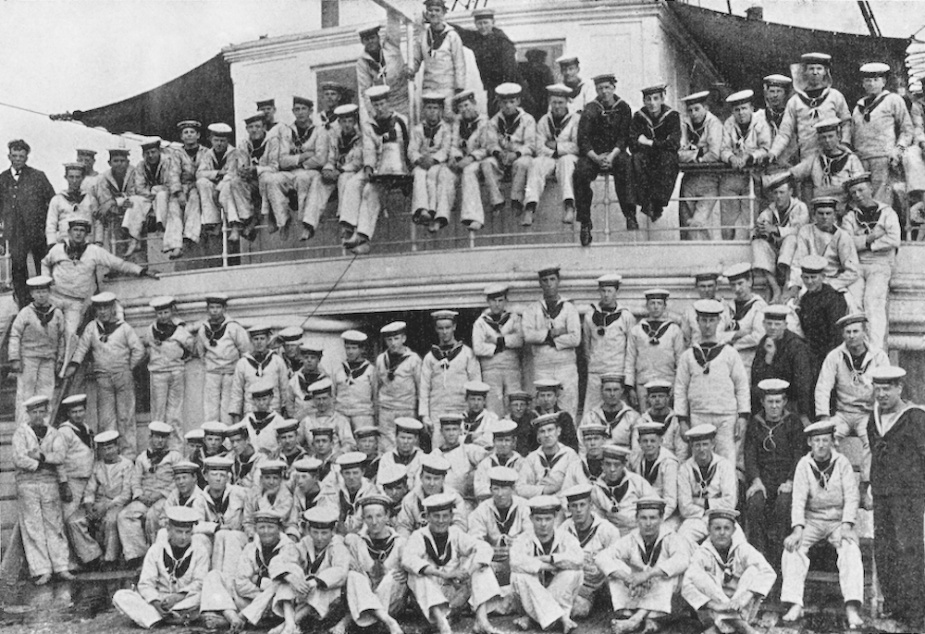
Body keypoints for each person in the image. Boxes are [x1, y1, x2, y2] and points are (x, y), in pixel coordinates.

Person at [780, 420, 864, 628]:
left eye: (825, 440)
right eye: (817, 440)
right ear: (810, 442)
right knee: (792, 549)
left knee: (851, 550)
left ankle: (852, 608)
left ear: (832, 442)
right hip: (813, 519)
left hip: (838, 520)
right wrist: (797, 529)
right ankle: (795, 604)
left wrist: (847, 524)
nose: (821, 445)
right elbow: (798, 500)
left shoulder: (842, 463)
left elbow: (852, 497)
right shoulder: (803, 465)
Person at [868, 366, 925, 629]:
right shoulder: (874, 418)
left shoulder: (914, 417)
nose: (881, 394)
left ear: (899, 388)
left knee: (909, 548)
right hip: (882, 495)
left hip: (908, 495)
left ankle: (916, 611)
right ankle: (894, 604)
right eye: (877, 389)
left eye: (887, 389)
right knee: (885, 548)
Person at [402, 492, 504, 634]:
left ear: (451, 517)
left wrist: (468, 571)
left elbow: (483, 547)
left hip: (454, 593)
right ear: (427, 517)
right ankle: (443, 625)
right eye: (436, 516)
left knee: (482, 567)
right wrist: (444, 574)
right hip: (428, 601)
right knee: (417, 576)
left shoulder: (455, 533)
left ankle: (482, 621)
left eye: (445, 516)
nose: (441, 520)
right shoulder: (418, 536)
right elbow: (408, 559)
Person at [815, 313, 889, 506]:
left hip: (868, 413)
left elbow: (886, 384)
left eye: (856, 331)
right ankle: (830, 488)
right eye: (847, 332)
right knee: (825, 440)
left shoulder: (878, 356)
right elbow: (823, 386)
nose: (851, 336)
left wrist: (880, 415)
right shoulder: (835, 356)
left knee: (871, 442)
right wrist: (824, 418)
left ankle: (864, 488)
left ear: (864, 332)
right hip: (843, 413)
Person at [41, 218, 153, 338]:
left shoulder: (94, 251)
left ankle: (67, 358)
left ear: (86, 234)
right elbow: (45, 263)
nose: (78, 233)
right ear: (69, 232)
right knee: (48, 331)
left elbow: (118, 263)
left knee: (71, 334)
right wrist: (46, 280)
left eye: (82, 230)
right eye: (75, 230)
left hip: (75, 303)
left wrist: (140, 271)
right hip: (55, 298)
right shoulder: (57, 249)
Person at [66, 291, 145, 455]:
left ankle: (129, 455)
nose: (102, 312)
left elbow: (139, 350)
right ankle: (109, 454)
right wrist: (74, 364)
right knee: (106, 419)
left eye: (106, 308)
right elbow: (82, 348)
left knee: (126, 416)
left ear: (112, 308)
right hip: (103, 378)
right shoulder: (92, 328)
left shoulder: (124, 328)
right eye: (99, 308)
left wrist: (128, 367)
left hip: (123, 376)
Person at [596, 496, 690, 634]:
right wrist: (628, 578)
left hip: (665, 592)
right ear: (636, 519)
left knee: (668, 575)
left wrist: (648, 575)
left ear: (662, 519)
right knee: (615, 568)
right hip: (641, 590)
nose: (648, 523)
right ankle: (641, 618)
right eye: (643, 518)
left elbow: (682, 560)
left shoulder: (672, 537)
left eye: (653, 518)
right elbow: (601, 557)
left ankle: (635, 619)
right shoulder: (631, 538)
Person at [674, 299, 750, 466]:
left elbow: (742, 386)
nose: (707, 325)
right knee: (701, 461)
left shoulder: (730, 354)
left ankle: (730, 493)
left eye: (711, 320)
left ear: (718, 322)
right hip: (699, 415)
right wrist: (682, 420)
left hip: (726, 417)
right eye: (703, 320)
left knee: (727, 462)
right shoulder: (688, 356)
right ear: (697, 322)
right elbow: (680, 388)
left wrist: (742, 417)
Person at [199, 509, 299, 632]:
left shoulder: (289, 548)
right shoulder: (251, 548)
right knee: (214, 575)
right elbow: (241, 583)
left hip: (276, 604)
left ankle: (236, 618)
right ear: (256, 529)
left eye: (270, 527)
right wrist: (259, 591)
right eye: (262, 527)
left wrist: (257, 580)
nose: (266, 532)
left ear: (279, 529)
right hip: (253, 600)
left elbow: (284, 583)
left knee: (280, 585)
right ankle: (234, 618)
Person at [112, 507, 211, 628]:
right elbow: (146, 583)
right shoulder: (156, 550)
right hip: (160, 599)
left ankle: (160, 618)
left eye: (188, 532)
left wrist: (178, 596)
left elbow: (199, 582)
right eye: (179, 532)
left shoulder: (200, 551)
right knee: (121, 596)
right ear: (169, 530)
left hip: (185, 599)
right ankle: (163, 617)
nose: (184, 537)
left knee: (204, 596)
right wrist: (156, 602)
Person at [681, 508, 776, 634]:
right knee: (698, 575)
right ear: (709, 530)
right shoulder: (702, 553)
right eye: (717, 528)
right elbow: (686, 585)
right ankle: (745, 629)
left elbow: (768, 572)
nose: (722, 533)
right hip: (712, 613)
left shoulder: (743, 548)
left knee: (754, 569)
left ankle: (722, 628)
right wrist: (716, 605)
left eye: (726, 528)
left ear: (733, 530)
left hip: (743, 609)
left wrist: (743, 598)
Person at [743, 379, 805, 570]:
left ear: (785, 401)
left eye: (778, 401)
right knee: (755, 503)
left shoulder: (793, 422)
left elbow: (799, 454)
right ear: (763, 402)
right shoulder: (755, 423)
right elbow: (750, 454)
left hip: (786, 480)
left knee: (784, 504)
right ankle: (759, 561)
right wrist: (756, 480)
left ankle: (780, 562)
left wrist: (790, 481)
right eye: (770, 402)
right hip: (763, 480)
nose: (774, 406)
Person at [13, 395, 73, 585]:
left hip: (49, 483)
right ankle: (42, 569)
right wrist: (44, 463)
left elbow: (60, 456)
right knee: (33, 526)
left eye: (41, 411)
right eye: (34, 412)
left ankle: (61, 566)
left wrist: (40, 456)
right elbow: (19, 459)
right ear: (28, 413)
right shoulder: (21, 433)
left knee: (54, 524)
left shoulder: (54, 433)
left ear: (46, 412)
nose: (38, 416)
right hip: (28, 484)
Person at [842, 172, 901, 350]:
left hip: (880, 265)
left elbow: (893, 240)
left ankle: (875, 350)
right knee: (853, 303)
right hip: (857, 266)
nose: (858, 195)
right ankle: (858, 348)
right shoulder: (850, 217)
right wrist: (871, 238)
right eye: (853, 193)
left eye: (861, 190)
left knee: (872, 303)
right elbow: (847, 243)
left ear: (871, 189)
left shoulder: (887, 212)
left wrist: (865, 244)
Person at [574, 73, 636, 241]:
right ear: (596, 90)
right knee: (580, 172)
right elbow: (583, 139)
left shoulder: (623, 107)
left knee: (626, 163)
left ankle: (630, 213)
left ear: (614, 88)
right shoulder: (590, 108)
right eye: (600, 88)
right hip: (595, 155)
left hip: (616, 153)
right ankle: (585, 222)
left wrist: (612, 156)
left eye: (607, 87)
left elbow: (624, 137)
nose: (604, 92)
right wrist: (596, 157)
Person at [349, 85, 410, 255]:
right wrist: (369, 166)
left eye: (382, 103)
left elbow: (408, 142)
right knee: (369, 189)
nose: (379, 107)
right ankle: (362, 236)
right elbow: (369, 149)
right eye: (376, 105)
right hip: (381, 170)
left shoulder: (401, 120)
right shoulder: (369, 125)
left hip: (402, 169)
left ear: (388, 102)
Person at [509, 496, 584, 634]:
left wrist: (551, 558)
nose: (543, 524)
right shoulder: (523, 538)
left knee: (574, 572)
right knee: (519, 575)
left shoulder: (565, 537)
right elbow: (515, 561)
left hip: (556, 590)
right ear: (531, 519)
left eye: (547, 519)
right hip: (531, 593)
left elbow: (579, 559)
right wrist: (546, 566)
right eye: (538, 519)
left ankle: (534, 618)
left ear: (555, 517)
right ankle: (561, 618)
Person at [767, 52, 851, 166]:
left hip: (834, 157)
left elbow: (846, 122)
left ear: (825, 71)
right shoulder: (795, 101)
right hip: (807, 156)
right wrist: (773, 152)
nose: (815, 72)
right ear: (805, 72)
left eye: (819, 68)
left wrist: (845, 143)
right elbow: (784, 132)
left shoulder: (835, 96)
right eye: (811, 69)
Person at [117, 421, 183, 566]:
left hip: (164, 497)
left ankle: (158, 555)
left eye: (163, 438)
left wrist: (161, 494)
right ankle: (138, 555)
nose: (160, 441)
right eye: (157, 437)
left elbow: (178, 480)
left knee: (153, 516)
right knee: (124, 516)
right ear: (150, 437)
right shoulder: (142, 457)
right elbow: (135, 480)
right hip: (145, 498)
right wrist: (140, 495)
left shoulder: (174, 457)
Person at [0, 139, 56, 307]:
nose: (18, 159)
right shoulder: (2, 179)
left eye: (21, 156)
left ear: (27, 157)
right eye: (15, 155)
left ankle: (45, 302)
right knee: (18, 268)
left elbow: (52, 201)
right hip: (15, 233)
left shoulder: (37, 176)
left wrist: (48, 227)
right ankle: (23, 304)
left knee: (42, 266)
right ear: (9, 156)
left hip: (37, 230)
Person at [850, 62, 914, 206]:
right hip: (861, 160)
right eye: (868, 80)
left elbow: (907, 130)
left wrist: (899, 149)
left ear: (883, 82)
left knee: (882, 201)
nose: (871, 84)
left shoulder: (893, 100)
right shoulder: (859, 106)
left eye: (876, 80)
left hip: (884, 159)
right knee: (862, 200)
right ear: (863, 83)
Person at [342, 495, 407, 634]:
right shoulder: (356, 541)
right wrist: (350, 563)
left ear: (387, 516)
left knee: (393, 575)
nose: (374, 522)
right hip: (366, 595)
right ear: (364, 519)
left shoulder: (401, 542)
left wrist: (406, 573)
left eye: (379, 516)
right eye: (369, 517)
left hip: (391, 601)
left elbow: (414, 566)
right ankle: (388, 621)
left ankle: (353, 621)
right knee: (354, 575)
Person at [522, 266, 581, 419]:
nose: (549, 284)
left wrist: (545, 339)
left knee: (567, 405)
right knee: (543, 405)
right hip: (543, 365)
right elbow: (528, 336)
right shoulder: (533, 309)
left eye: (552, 279)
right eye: (545, 280)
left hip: (565, 365)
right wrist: (552, 333)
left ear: (558, 281)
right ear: (540, 283)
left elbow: (575, 338)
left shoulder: (569, 308)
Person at [419, 309, 480, 449]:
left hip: (461, 408)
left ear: (454, 327)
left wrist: (473, 411)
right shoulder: (430, 357)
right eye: (440, 328)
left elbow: (476, 384)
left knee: (462, 447)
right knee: (438, 448)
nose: (444, 332)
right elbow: (424, 387)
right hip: (437, 410)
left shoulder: (466, 353)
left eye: (447, 327)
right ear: (436, 329)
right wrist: (424, 416)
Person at [559, 483, 621, 618]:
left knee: (579, 609)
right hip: (575, 584)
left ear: (591, 505)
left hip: (600, 584)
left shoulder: (608, 530)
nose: (578, 510)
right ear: (569, 508)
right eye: (574, 506)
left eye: (582, 505)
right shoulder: (564, 529)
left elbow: (615, 564)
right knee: (575, 609)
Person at [8, 275, 65, 422]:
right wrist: (15, 358)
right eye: (37, 292)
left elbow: (62, 339)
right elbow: (15, 335)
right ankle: (24, 429)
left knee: (46, 393)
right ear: (32, 294)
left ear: (49, 292)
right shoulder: (25, 313)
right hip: (29, 359)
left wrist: (60, 359)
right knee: (26, 394)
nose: (41, 295)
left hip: (48, 359)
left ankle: (44, 427)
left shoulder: (57, 314)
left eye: (44, 291)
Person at [524, 84, 580, 226]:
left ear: (567, 102)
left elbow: (577, 146)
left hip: (569, 159)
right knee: (536, 163)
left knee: (565, 162)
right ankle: (530, 208)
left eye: (560, 102)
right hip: (549, 159)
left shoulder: (575, 120)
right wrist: (552, 152)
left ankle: (569, 206)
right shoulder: (544, 121)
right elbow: (539, 147)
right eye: (554, 102)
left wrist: (557, 148)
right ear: (550, 102)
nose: (557, 106)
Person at [719, 90, 772, 240]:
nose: (741, 113)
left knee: (750, 217)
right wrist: (731, 158)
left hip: (752, 176)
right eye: (737, 109)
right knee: (727, 219)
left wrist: (750, 156)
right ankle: (727, 250)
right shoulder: (729, 124)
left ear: (751, 108)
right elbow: (723, 149)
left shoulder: (760, 123)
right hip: (731, 178)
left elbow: (766, 148)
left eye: (744, 108)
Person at [56, 393, 101, 568]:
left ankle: (89, 557)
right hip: (72, 480)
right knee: (68, 519)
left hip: (88, 480)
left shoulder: (86, 428)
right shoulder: (64, 431)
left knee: (84, 518)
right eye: (74, 412)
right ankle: (71, 560)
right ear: (68, 413)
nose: (78, 415)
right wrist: (63, 483)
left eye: (81, 411)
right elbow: (59, 459)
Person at [787, 195, 860, 301]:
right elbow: (798, 262)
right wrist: (795, 285)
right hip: (809, 281)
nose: (824, 217)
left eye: (828, 213)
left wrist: (832, 286)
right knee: (794, 303)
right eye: (820, 213)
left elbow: (853, 270)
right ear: (814, 215)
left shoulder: (843, 236)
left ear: (834, 215)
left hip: (833, 281)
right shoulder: (806, 231)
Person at [469, 465, 531, 587]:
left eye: (504, 488)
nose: (500, 494)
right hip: (492, 559)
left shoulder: (525, 507)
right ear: (490, 489)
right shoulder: (481, 510)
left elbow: (531, 535)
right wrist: (489, 550)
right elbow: (474, 539)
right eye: (496, 489)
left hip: (518, 559)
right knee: (479, 569)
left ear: (512, 489)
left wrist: (514, 547)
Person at [194, 292, 251, 425]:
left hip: (231, 373)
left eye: (218, 307)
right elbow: (200, 351)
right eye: (212, 307)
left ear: (224, 309)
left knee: (228, 408)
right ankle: (211, 437)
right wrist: (210, 365)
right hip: (212, 373)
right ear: (207, 310)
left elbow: (244, 349)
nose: (214, 311)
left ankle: (228, 441)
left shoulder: (233, 327)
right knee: (211, 408)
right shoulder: (203, 329)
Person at [751, 172, 810, 302]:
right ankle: (775, 288)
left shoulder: (800, 207)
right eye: (775, 193)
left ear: (790, 191)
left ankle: (786, 287)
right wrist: (761, 232)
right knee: (757, 243)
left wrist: (776, 230)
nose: (778, 197)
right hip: (776, 252)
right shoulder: (768, 211)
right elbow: (756, 231)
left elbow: (801, 230)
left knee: (791, 239)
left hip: (795, 253)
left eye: (782, 192)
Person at [749, 306, 814, 422]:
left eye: (777, 324)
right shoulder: (764, 343)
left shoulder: (796, 346)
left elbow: (803, 383)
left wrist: (803, 414)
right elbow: (756, 379)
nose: (773, 328)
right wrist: (769, 357)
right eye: (769, 323)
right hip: (768, 402)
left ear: (785, 325)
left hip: (791, 402)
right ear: (763, 324)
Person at [676, 424, 738, 546]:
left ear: (712, 445)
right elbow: (684, 506)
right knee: (683, 537)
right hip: (696, 518)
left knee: (739, 541)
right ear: (692, 447)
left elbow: (730, 502)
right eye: (697, 445)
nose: (701, 449)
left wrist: (704, 503)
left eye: (705, 444)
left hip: (723, 517)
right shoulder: (685, 469)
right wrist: (706, 511)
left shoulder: (724, 465)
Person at [582, 273, 636, 414]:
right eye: (603, 291)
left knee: (617, 412)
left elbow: (631, 350)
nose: (606, 295)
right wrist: (593, 365)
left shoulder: (625, 316)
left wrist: (628, 379)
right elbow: (586, 346)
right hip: (596, 373)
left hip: (616, 373)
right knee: (592, 411)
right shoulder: (590, 315)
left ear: (616, 292)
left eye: (610, 291)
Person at [79, 430, 132, 568]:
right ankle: (92, 557)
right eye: (104, 449)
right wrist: (89, 506)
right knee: (75, 522)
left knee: (111, 520)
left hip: (117, 504)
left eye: (110, 448)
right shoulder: (98, 466)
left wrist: (107, 506)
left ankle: (110, 559)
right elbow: (90, 489)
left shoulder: (127, 465)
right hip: (99, 503)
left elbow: (126, 494)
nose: (108, 452)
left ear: (117, 447)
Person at [482, 83, 536, 221]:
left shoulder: (527, 120)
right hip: (502, 157)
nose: (508, 106)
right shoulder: (494, 121)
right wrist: (498, 153)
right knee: (487, 163)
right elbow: (491, 143)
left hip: (519, 155)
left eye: (512, 102)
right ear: (499, 103)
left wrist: (516, 154)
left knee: (523, 163)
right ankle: (497, 201)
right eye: (504, 102)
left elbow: (531, 145)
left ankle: (516, 200)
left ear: (518, 101)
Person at [624, 288, 684, 410]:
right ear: (647, 305)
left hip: (667, 382)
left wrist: (677, 387)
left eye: (659, 303)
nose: (656, 307)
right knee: (646, 420)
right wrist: (630, 387)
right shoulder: (637, 330)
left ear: (665, 306)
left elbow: (680, 361)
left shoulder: (674, 330)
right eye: (652, 303)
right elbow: (630, 359)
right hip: (643, 383)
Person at [789, 118, 865, 214]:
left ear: (838, 136)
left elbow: (859, 186)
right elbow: (794, 173)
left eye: (830, 136)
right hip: (821, 210)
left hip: (844, 209)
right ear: (819, 140)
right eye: (823, 137)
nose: (827, 140)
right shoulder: (814, 159)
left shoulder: (851, 159)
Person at [143, 295, 194, 436]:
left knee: (175, 412)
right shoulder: (151, 330)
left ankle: (176, 446)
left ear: (171, 312)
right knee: (158, 411)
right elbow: (146, 346)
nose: (163, 316)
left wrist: (182, 356)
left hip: (176, 372)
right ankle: (158, 443)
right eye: (160, 313)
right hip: (158, 373)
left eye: (166, 312)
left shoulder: (179, 329)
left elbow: (190, 344)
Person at [125, 137, 185, 258]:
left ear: (159, 151)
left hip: (168, 196)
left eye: (153, 152)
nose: (150, 155)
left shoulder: (168, 162)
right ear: (143, 154)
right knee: (134, 200)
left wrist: (157, 190)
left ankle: (162, 228)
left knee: (166, 200)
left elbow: (171, 182)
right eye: (147, 153)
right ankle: (134, 238)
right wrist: (152, 193)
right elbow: (139, 187)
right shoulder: (141, 166)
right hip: (151, 197)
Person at [790, 254, 850, 375]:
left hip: (830, 354)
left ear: (822, 277)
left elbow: (837, 334)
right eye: (806, 278)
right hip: (811, 354)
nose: (809, 281)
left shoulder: (833, 298)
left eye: (813, 277)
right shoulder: (805, 299)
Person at [630, 83, 681, 224]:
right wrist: (661, 144)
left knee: (669, 158)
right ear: (644, 101)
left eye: (656, 98)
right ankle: (646, 202)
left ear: (662, 99)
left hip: (663, 157)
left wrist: (649, 143)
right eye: (648, 99)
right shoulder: (639, 117)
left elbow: (674, 144)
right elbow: (633, 144)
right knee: (637, 158)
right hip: (646, 156)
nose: (652, 103)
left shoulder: (672, 116)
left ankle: (658, 203)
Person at [471, 284, 523, 417]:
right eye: (493, 301)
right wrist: (502, 345)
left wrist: (498, 340)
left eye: (500, 300)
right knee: (493, 404)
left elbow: (520, 340)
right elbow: (478, 348)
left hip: (511, 368)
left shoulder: (514, 318)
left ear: (505, 301)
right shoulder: (480, 323)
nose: (497, 304)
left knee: (513, 402)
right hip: (491, 368)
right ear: (488, 302)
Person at [456, 8, 519, 115]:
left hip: (504, 85)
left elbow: (509, 69)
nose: (483, 26)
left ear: (493, 23)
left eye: (486, 23)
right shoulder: (476, 38)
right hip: (488, 87)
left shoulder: (502, 41)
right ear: (475, 24)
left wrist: (504, 91)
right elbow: (460, 31)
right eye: (479, 23)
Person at [678, 90, 723, 241]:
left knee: (698, 222)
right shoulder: (685, 124)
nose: (693, 113)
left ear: (706, 108)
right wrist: (700, 154)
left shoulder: (714, 123)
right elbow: (679, 153)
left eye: (697, 109)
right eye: (690, 110)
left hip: (709, 179)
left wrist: (692, 155)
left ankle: (704, 257)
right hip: (689, 179)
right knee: (686, 224)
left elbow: (714, 153)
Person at [408, 92, 454, 233]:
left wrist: (434, 159)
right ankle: (422, 209)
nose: (432, 112)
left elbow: (446, 148)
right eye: (429, 108)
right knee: (419, 174)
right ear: (424, 110)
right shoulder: (417, 130)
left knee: (436, 175)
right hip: (422, 163)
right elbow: (412, 150)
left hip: (439, 163)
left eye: (435, 108)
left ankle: (437, 214)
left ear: (440, 110)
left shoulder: (446, 129)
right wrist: (420, 159)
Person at [324, 104, 368, 245]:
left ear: (354, 122)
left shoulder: (360, 138)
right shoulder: (335, 137)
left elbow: (358, 162)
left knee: (345, 180)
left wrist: (341, 170)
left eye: (350, 121)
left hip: (354, 171)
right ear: (340, 123)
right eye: (344, 122)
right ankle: (346, 221)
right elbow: (331, 157)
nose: (347, 125)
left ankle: (345, 222)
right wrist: (329, 168)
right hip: (339, 172)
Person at [448, 89, 491, 231]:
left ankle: (474, 217)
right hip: (462, 161)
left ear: (474, 104)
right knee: (445, 174)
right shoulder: (458, 124)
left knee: (468, 171)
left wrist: (470, 158)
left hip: (479, 161)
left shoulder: (484, 122)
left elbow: (486, 148)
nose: (464, 110)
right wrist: (457, 158)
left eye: (466, 105)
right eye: (460, 107)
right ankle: (444, 214)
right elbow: (454, 144)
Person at [412, 0, 466, 112]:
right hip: (428, 89)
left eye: (437, 10)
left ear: (443, 13)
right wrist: (410, 69)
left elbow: (459, 64)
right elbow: (415, 60)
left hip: (447, 89)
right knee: (429, 121)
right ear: (426, 14)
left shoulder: (452, 36)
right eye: (430, 10)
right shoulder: (422, 36)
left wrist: (459, 89)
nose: (433, 13)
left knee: (449, 119)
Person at [395, 453, 467, 537]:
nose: (431, 483)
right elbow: (403, 527)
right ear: (421, 477)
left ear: (443, 479)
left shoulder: (454, 498)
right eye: (428, 478)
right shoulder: (410, 499)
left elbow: (460, 525)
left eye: (436, 479)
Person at [375, 322, 421, 452]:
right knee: (386, 445)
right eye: (389, 339)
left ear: (403, 339)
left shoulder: (413, 359)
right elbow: (377, 386)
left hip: (405, 408)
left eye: (396, 339)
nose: (393, 343)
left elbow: (420, 387)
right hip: (386, 410)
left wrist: (419, 411)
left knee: (408, 444)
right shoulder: (381, 359)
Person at [195, 123, 246, 239]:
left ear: (227, 140)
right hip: (216, 186)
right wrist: (217, 173)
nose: (219, 144)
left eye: (222, 141)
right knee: (202, 182)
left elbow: (233, 174)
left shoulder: (235, 153)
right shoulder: (207, 155)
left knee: (227, 188)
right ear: (211, 140)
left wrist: (218, 188)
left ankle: (234, 225)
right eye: (216, 140)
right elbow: (199, 173)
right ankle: (214, 222)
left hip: (229, 186)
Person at [229, 324, 289, 422]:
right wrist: (236, 419)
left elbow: (285, 389)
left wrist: (285, 414)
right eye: (256, 339)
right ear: (251, 341)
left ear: (268, 339)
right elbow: (237, 392)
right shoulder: (243, 363)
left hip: (273, 411)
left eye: (262, 338)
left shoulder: (277, 361)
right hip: (250, 413)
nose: (259, 342)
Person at [355, 14, 409, 121]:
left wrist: (391, 10)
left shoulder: (391, 46)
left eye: (372, 38)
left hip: (404, 99)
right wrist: (375, 115)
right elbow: (365, 91)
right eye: (366, 39)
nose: (370, 42)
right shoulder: (362, 62)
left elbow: (393, 24)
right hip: (384, 106)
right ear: (362, 42)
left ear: (378, 37)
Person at [232, 113, 277, 241]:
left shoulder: (272, 141)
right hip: (252, 182)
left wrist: (256, 169)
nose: (254, 129)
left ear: (264, 127)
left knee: (266, 177)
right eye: (250, 127)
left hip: (269, 181)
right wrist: (243, 171)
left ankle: (263, 218)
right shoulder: (244, 144)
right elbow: (241, 164)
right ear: (247, 129)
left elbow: (275, 167)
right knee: (235, 182)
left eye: (257, 126)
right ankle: (248, 218)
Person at [516, 413, 581, 498]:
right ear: (538, 436)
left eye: (550, 430)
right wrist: (545, 490)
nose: (546, 435)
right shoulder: (532, 458)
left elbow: (575, 485)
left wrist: (557, 490)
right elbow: (520, 488)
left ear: (558, 431)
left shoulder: (570, 455)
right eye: (542, 431)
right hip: (537, 505)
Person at [721, 262, 767, 378]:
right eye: (733, 285)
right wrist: (736, 335)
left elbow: (758, 337)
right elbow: (716, 334)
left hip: (748, 363)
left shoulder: (759, 306)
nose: (737, 289)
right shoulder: (727, 307)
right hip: (726, 362)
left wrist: (732, 343)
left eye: (740, 283)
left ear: (750, 281)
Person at [630, 423, 681, 528]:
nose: (649, 444)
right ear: (639, 442)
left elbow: (671, 500)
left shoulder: (669, 463)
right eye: (645, 441)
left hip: (665, 513)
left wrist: (657, 518)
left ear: (660, 442)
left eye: (653, 441)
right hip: (642, 510)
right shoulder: (636, 459)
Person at [433, 414, 488, 505]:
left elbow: (489, 458)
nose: (451, 433)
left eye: (454, 429)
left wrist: (475, 475)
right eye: (447, 430)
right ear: (441, 431)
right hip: (442, 501)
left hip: (466, 500)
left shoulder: (469, 450)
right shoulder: (435, 455)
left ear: (460, 431)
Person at [578, 374, 640, 453]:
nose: (612, 394)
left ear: (622, 391)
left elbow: (636, 449)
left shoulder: (632, 417)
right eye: (608, 390)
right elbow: (582, 447)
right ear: (601, 391)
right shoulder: (590, 416)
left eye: (616, 390)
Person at [172, 120, 208, 252]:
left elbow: (206, 170)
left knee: (194, 200)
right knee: (174, 207)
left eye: (192, 132)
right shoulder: (176, 154)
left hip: (197, 187)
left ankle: (189, 237)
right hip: (182, 186)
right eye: (185, 133)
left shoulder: (206, 152)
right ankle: (175, 245)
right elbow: (173, 174)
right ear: (181, 137)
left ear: (198, 135)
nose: (189, 135)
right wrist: (179, 192)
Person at [95, 148, 138, 253]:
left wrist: (115, 202)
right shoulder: (103, 178)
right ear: (109, 163)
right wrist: (117, 204)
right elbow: (105, 201)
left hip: (134, 213)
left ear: (127, 162)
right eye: (115, 161)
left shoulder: (135, 173)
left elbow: (134, 195)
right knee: (115, 243)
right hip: (114, 217)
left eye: (122, 161)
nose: (119, 164)